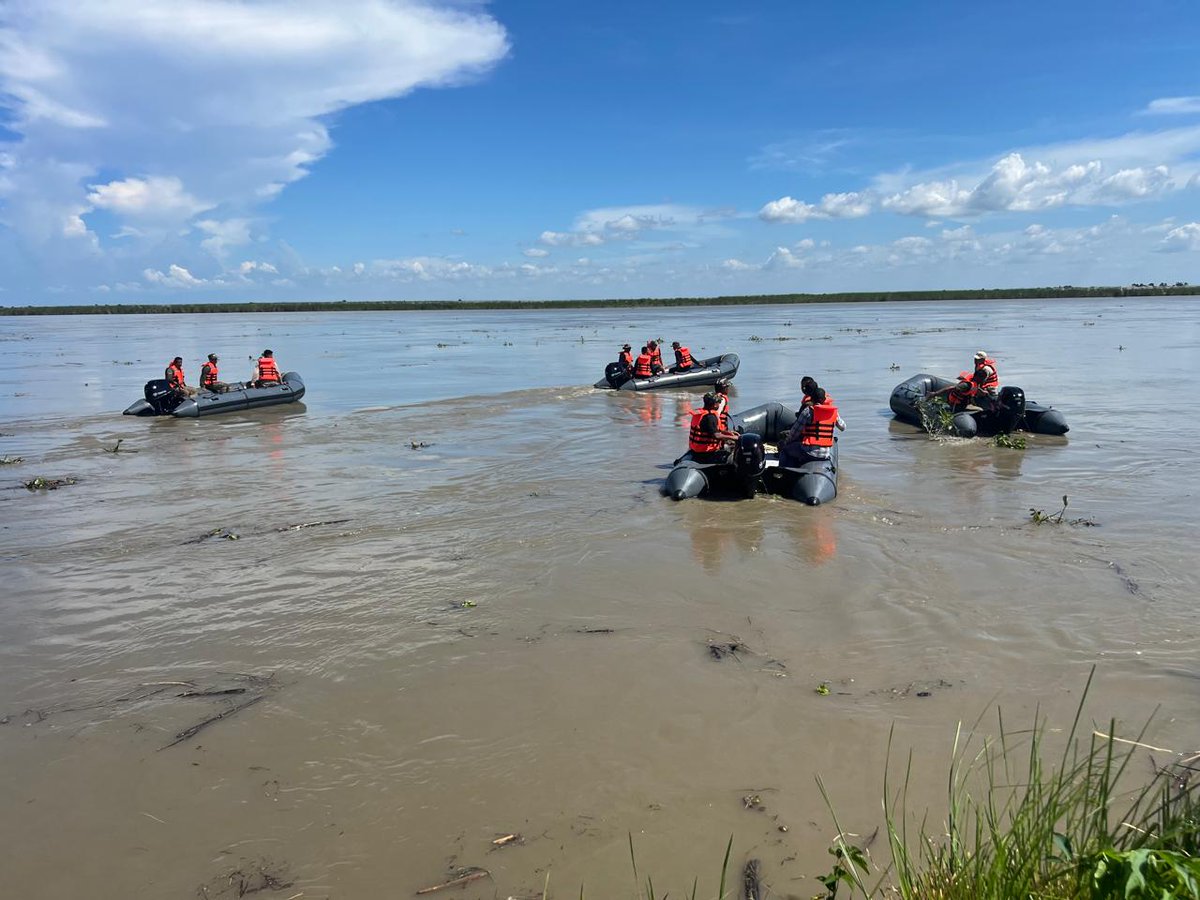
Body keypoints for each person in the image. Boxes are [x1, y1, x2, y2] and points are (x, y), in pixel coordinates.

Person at [779, 387, 845, 467]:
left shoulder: (808, 411)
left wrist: (787, 442)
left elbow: (794, 432)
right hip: (825, 454)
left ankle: (783, 473)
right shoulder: (833, 412)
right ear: (824, 399)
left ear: (812, 400)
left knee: (785, 450)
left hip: (808, 452)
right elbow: (843, 427)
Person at [931, 351, 999, 410]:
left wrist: (935, 394)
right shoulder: (979, 366)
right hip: (974, 390)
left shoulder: (985, 370)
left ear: (983, 359)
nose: (975, 360)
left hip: (989, 389)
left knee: (985, 399)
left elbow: (980, 382)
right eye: (975, 358)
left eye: (978, 359)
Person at [688, 392, 740, 462]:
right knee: (733, 455)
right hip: (707, 453)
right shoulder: (710, 417)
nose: (719, 404)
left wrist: (728, 432)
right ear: (715, 404)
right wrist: (734, 438)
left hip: (695, 450)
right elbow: (716, 435)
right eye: (718, 402)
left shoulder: (700, 414)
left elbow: (710, 429)